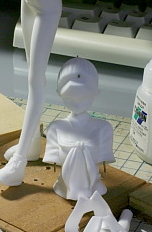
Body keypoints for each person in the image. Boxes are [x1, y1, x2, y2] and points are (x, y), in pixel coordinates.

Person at [0, 0, 61, 186]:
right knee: (31, 67)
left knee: (35, 79)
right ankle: (31, 145)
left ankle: (19, 161)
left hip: (47, 8)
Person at [42, 57, 114, 200]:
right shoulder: (56, 128)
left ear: (96, 93)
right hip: (64, 184)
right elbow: (53, 156)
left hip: (95, 185)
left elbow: (104, 157)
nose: (77, 104)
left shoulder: (103, 128)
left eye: (85, 98)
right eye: (69, 98)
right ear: (59, 93)